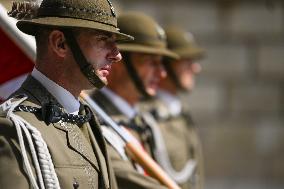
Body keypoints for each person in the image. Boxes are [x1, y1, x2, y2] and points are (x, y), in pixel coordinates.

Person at [0, 0, 133, 188]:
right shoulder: (13, 128)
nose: (116, 54)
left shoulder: (87, 120)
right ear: (60, 43)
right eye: (103, 40)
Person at [87, 12, 178, 189]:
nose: (162, 73)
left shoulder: (139, 120)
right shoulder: (96, 120)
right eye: (151, 62)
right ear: (119, 62)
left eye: (161, 63)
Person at [149, 26, 206, 189]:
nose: (196, 68)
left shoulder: (181, 111)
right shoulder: (146, 114)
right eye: (187, 60)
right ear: (166, 65)